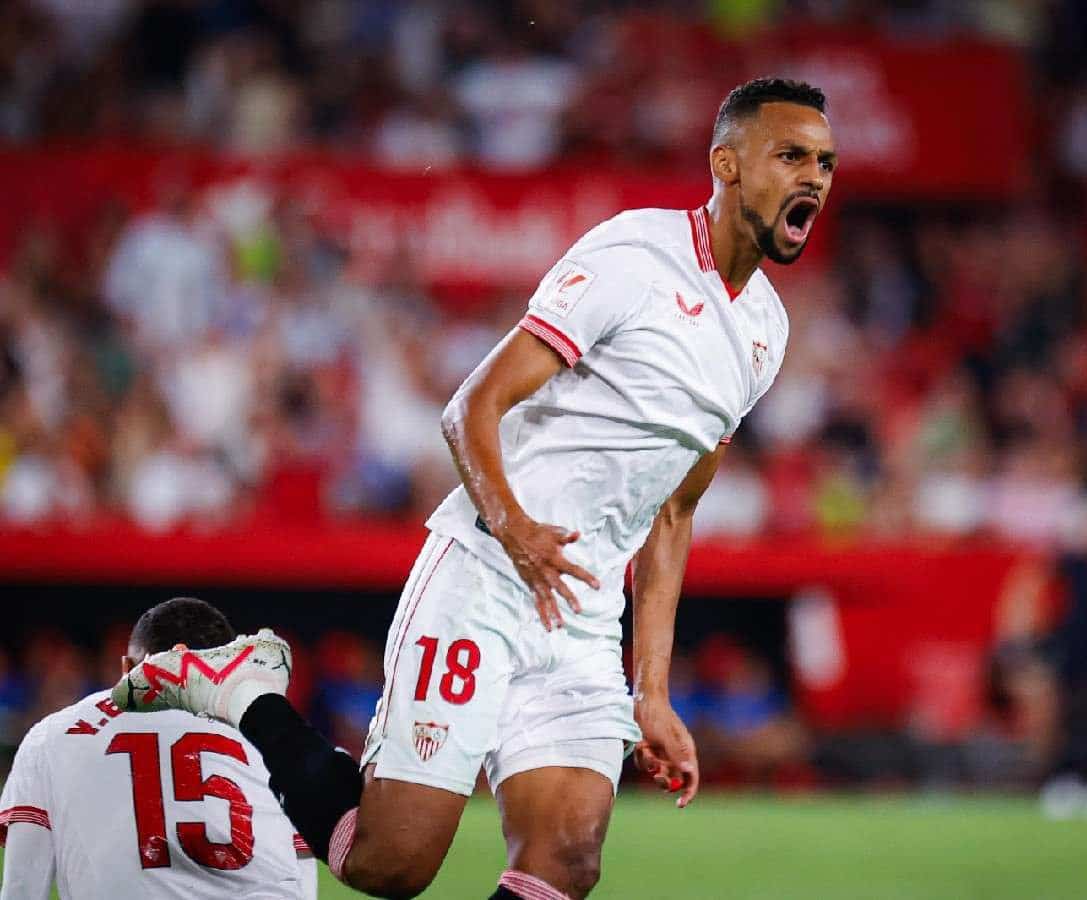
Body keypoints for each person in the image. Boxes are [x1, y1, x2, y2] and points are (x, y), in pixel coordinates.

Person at [111, 77, 838, 900]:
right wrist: (518, 529)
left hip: (585, 617)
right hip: (486, 576)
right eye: (791, 155)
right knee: (390, 864)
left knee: (567, 858)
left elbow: (675, 508)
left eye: (824, 161)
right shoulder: (631, 260)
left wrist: (654, 691)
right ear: (727, 165)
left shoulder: (764, 331)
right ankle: (245, 690)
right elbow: (471, 408)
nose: (813, 175)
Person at [0, 598, 317, 899]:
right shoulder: (276, 732)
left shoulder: (51, 735)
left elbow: (23, 887)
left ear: (127, 668)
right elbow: (300, 875)